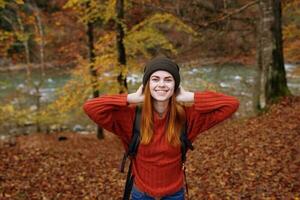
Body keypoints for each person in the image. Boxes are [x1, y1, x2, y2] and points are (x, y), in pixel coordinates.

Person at [83, 57, 239, 200]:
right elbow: (91, 107)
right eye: (155, 79)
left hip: (174, 194)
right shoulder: (131, 117)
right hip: (141, 193)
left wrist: (190, 96)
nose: (162, 84)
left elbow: (231, 104)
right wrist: (131, 98)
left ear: (175, 85)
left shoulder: (188, 117)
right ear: (147, 84)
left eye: (168, 80)